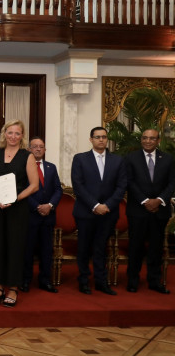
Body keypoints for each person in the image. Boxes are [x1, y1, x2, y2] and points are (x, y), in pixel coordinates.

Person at [0, 120, 39, 307]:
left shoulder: (27, 156)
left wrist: (14, 199)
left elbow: (34, 185)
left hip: (17, 209)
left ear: (22, 136)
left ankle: (13, 288)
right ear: (4, 134)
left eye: (17, 133)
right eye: (10, 132)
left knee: (15, 247)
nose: (13, 136)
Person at [71, 126, 127, 296]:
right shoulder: (80, 159)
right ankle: (83, 281)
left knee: (101, 248)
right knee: (84, 248)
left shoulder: (118, 160)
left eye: (104, 137)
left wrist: (107, 205)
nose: (101, 140)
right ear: (91, 139)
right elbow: (78, 185)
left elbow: (121, 185)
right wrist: (95, 205)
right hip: (86, 212)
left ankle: (101, 282)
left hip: (108, 213)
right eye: (97, 137)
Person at [124, 129, 175, 294]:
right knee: (135, 247)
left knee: (156, 248)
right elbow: (129, 182)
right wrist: (145, 201)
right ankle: (133, 281)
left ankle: (154, 281)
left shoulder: (168, 159)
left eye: (151, 138)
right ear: (141, 140)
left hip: (159, 211)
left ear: (158, 141)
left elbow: (172, 183)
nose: (147, 141)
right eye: (145, 138)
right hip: (138, 210)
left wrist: (159, 200)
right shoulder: (131, 158)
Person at [21, 137, 62, 293]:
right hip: (30, 215)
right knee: (28, 250)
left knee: (46, 251)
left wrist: (50, 205)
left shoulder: (51, 167)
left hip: (48, 216)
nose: (38, 149)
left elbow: (58, 189)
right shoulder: (24, 167)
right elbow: (22, 190)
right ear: (29, 149)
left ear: (45, 150)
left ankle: (45, 280)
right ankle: (25, 280)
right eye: (35, 146)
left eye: (41, 147)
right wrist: (37, 206)